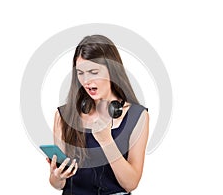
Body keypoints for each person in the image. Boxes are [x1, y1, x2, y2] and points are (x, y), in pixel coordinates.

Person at [46, 35, 149, 195]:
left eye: (93, 72)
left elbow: (131, 183)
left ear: (112, 71)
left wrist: (106, 140)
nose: (86, 81)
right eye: (80, 73)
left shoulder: (137, 116)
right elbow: (58, 184)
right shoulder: (64, 115)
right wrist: (56, 176)